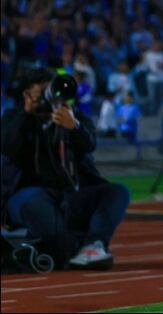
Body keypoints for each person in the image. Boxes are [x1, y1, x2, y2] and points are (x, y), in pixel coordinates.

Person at [1, 69, 130, 270]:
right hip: (27, 195)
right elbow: (8, 145)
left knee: (118, 192)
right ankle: (65, 247)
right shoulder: (13, 117)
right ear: (26, 94)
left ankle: (92, 246)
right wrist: (26, 114)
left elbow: (89, 145)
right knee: (38, 205)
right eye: (41, 92)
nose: (50, 97)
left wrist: (74, 127)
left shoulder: (73, 117)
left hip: (69, 196)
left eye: (51, 90)